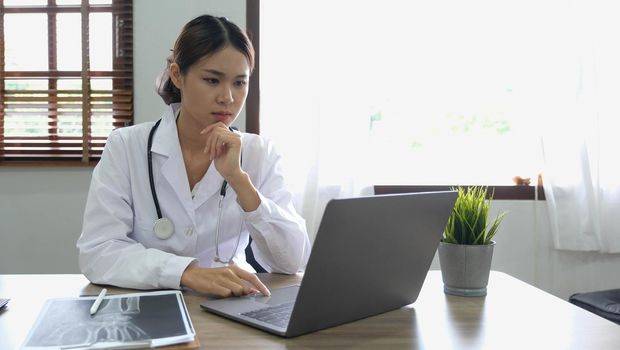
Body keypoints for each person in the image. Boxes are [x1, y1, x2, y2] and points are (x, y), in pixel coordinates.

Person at [77, 15, 310, 298]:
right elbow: (97, 252)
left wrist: (239, 180)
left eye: (239, 83)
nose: (228, 97)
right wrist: (186, 273)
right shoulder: (126, 146)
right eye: (212, 80)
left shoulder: (260, 153)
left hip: (233, 305)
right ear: (177, 75)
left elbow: (292, 262)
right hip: (150, 304)